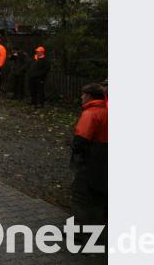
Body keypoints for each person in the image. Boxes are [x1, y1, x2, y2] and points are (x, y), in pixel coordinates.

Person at [70, 84, 108, 227]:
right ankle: (95, 227)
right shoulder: (107, 111)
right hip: (105, 158)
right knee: (98, 195)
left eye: (83, 95)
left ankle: (77, 230)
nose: (81, 97)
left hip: (90, 158)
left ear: (89, 96)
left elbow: (81, 140)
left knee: (80, 195)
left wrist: (75, 150)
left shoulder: (90, 114)